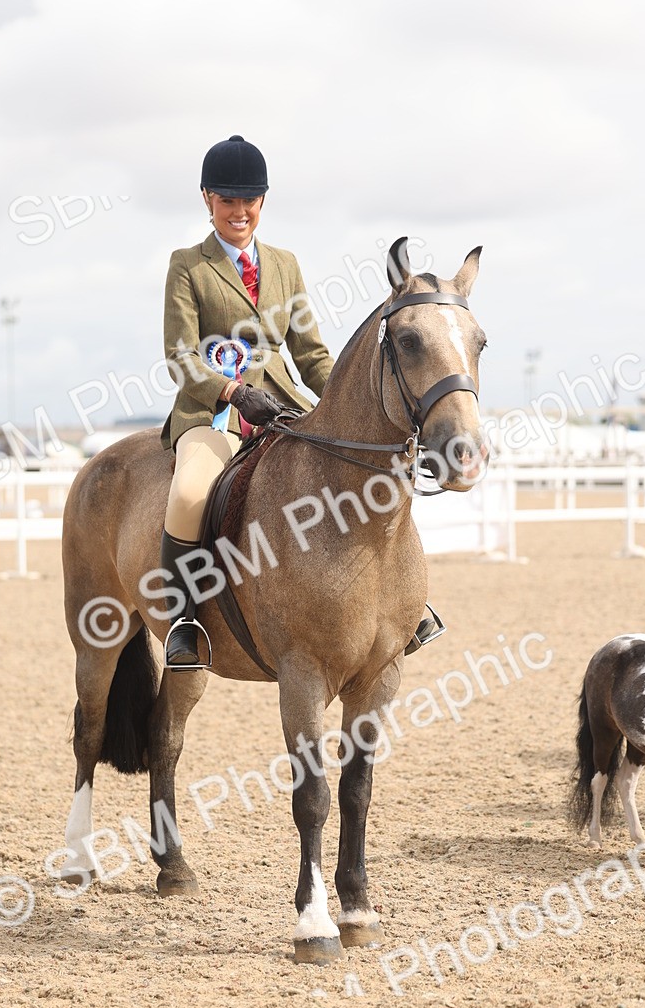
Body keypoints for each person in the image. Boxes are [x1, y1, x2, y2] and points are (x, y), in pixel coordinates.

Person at [159, 134, 439, 670]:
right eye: (227, 201)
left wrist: (347, 402)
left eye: (249, 201)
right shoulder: (187, 265)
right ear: (207, 200)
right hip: (212, 411)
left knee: (370, 471)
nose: (239, 212)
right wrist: (233, 391)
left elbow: (310, 353)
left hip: (282, 404)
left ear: (261, 202)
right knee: (191, 492)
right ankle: (185, 620)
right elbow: (179, 356)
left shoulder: (284, 264)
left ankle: (405, 605)